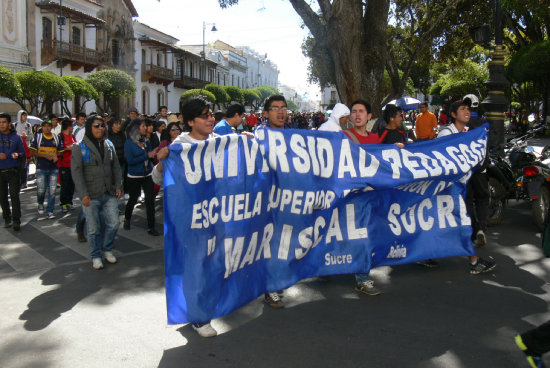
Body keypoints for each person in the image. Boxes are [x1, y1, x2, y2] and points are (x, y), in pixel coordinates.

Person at [153, 98, 218, 338]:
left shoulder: (218, 143)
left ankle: (201, 306)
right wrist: (162, 163)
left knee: (211, 266)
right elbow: (157, 179)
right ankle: (199, 318)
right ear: (190, 121)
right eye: (204, 115)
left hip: (217, 218)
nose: (210, 118)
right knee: (195, 267)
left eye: (211, 114)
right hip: (191, 221)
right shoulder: (179, 145)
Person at [437, 99, 496, 274]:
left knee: (458, 220)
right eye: (462, 109)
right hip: (448, 187)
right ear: (453, 115)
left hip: (458, 187)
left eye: (468, 109)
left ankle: (429, 255)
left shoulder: (468, 133)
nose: (467, 112)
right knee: (460, 220)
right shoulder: (446, 134)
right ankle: (473, 262)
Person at [341, 100, 382, 296]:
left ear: (369, 116)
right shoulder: (342, 138)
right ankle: (363, 278)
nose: (357, 115)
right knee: (361, 236)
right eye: (354, 112)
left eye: (361, 111)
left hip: (371, 196)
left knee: (366, 236)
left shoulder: (376, 139)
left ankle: (360, 275)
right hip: (351, 197)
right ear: (350, 117)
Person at [71, 115, 122, 269]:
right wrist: (83, 194)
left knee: (114, 223)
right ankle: (95, 255)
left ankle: (107, 249)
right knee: (93, 228)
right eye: (96, 125)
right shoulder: (79, 147)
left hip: (108, 192)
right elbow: (77, 172)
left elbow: (116, 167)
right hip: (90, 194)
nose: (100, 128)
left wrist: (118, 185)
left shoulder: (108, 144)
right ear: (89, 127)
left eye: (102, 125)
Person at [124, 118, 160, 236]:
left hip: (147, 174)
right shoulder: (129, 143)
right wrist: (146, 155)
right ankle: (127, 219)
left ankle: (151, 226)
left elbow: (150, 156)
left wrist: (153, 154)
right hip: (134, 176)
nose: (146, 128)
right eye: (143, 126)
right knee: (133, 198)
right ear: (136, 128)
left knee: (150, 200)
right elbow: (130, 161)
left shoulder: (146, 140)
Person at [30, 119, 64, 219]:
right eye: (44, 126)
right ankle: (40, 203)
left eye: (48, 126)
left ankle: (50, 211)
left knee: (52, 190)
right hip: (41, 167)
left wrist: (55, 155)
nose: (46, 128)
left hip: (53, 168)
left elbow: (61, 151)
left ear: (51, 127)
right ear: (42, 127)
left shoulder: (56, 138)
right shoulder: (38, 137)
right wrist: (44, 155)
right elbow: (32, 151)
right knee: (41, 189)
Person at [0, 112, 25, 231]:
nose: (1, 124)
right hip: (0, 171)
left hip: (13, 171)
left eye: (4, 122)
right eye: (0, 122)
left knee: (14, 196)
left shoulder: (17, 137)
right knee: (2, 197)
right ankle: (7, 218)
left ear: (9, 124)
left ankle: (16, 220)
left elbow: (23, 153)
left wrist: (17, 154)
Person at [58, 118, 76, 213]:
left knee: (71, 185)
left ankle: (69, 202)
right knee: (64, 185)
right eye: (72, 126)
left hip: (72, 164)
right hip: (63, 164)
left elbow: (76, 145)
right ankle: (63, 203)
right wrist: (67, 149)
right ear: (68, 127)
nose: (73, 128)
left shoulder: (73, 136)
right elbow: (58, 150)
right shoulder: (60, 136)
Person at [14, 110, 32, 188]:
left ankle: (24, 181)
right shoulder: (14, 125)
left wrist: (26, 137)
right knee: (16, 165)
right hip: (16, 148)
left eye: (25, 115)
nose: (25, 117)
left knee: (25, 166)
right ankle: (17, 181)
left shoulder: (28, 125)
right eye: (23, 115)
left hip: (26, 148)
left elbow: (31, 136)